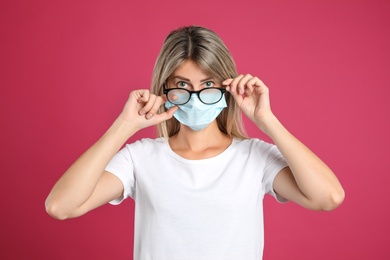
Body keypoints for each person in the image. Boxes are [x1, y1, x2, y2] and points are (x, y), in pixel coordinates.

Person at [45, 25, 345, 259]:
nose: (197, 98)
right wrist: (124, 125)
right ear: (165, 88)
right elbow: (61, 206)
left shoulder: (254, 157)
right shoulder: (140, 158)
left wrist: (266, 120)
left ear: (226, 87)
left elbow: (328, 197)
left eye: (208, 85)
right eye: (182, 85)